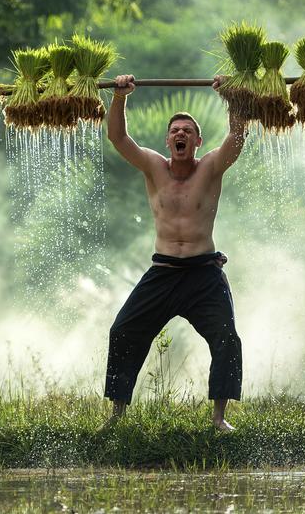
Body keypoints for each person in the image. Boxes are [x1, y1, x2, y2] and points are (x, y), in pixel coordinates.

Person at [104, 74, 248, 431]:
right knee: (122, 331)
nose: (180, 134)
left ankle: (219, 418)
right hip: (164, 271)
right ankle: (117, 415)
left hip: (204, 272)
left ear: (197, 141)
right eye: (175, 131)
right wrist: (120, 97)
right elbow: (118, 138)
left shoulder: (210, 167)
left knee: (227, 338)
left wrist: (232, 97)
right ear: (168, 141)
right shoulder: (154, 166)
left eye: (187, 131)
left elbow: (237, 137)